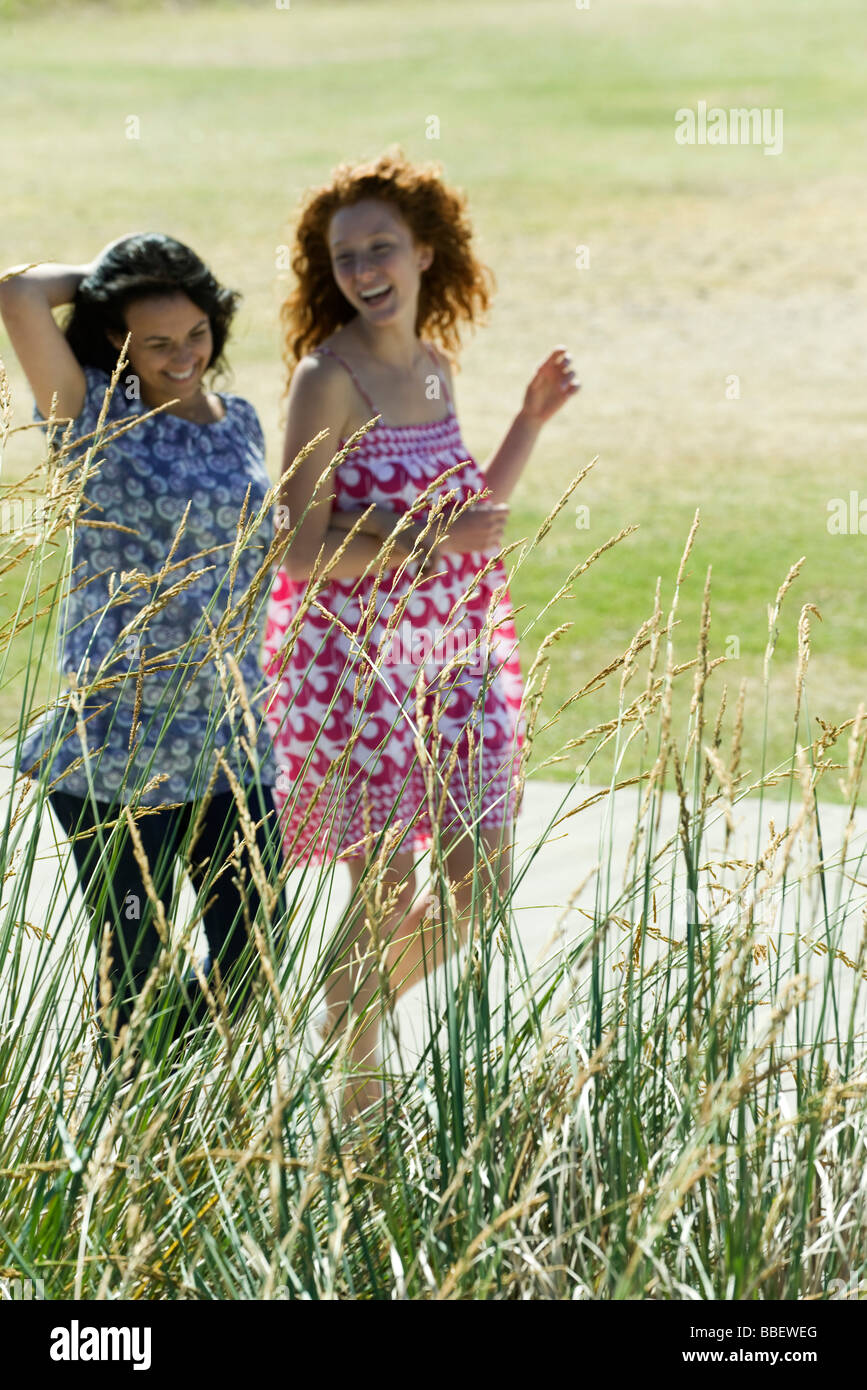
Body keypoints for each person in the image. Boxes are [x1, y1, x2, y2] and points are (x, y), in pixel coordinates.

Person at [263, 150, 580, 1121]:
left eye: (381, 247)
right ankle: (361, 1090)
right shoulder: (329, 377)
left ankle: (345, 1006)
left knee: (477, 885)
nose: (363, 268)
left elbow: (468, 512)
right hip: (363, 664)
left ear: (426, 250)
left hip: (459, 650)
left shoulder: (437, 366)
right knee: (388, 883)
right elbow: (294, 546)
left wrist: (527, 423)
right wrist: (434, 535)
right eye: (345, 254)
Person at [0, 234, 284, 1067]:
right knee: (136, 966)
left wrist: (164, 285)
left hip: (234, 739)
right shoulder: (87, 413)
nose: (182, 355)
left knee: (250, 956)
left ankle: (185, 1109)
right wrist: (121, 276)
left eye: (195, 331)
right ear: (116, 341)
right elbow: (16, 293)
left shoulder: (244, 424)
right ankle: (131, 1138)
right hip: (121, 747)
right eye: (155, 341)